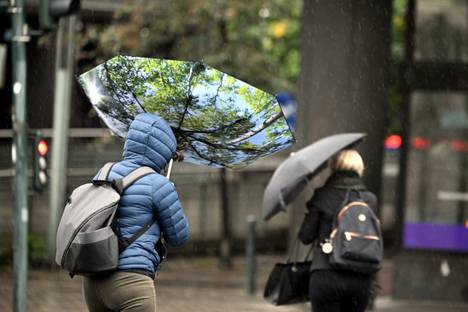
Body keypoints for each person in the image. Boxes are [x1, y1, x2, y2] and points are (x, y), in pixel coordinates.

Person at [82, 113, 190, 312]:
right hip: (131, 282)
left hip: (93, 280)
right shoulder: (159, 185)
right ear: (164, 150)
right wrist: (169, 194)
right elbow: (179, 237)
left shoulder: (104, 172)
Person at [298, 149, 378, 312]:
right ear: (359, 169)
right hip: (360, 277)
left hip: (325, 273)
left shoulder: (322, 195)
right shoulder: (369, 199)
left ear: (334, 168)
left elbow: (305, 236)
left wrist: (313, 210)